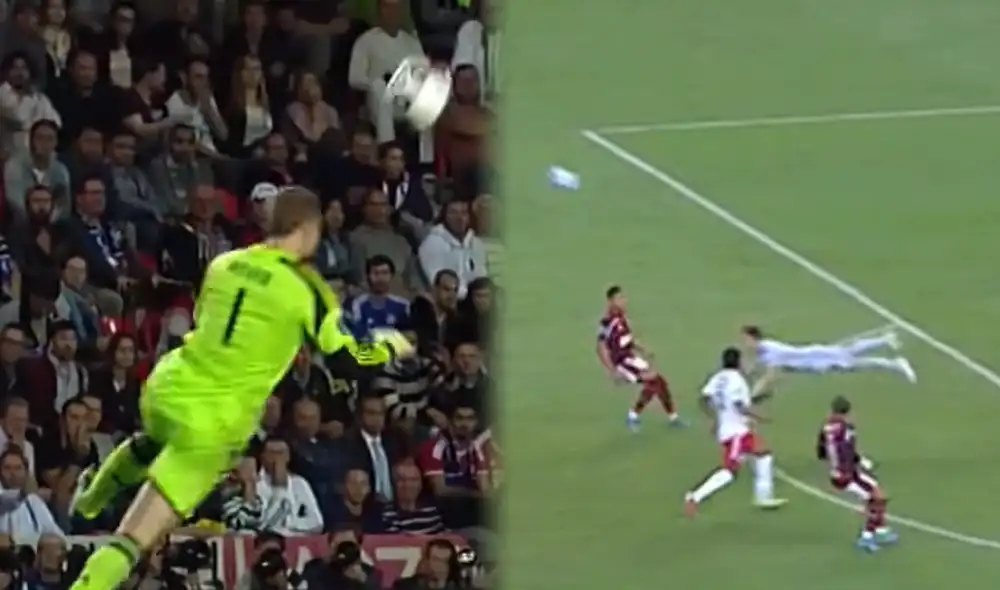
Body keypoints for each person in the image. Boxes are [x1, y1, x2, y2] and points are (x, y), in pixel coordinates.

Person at [66, 186, 416, 590]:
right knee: (132, 538)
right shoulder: (307, 289)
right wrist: (390, 344)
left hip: (170, 384)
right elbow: (348, 360)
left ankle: (90, 499)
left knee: (152, 440)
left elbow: (204, 317)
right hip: (214, 421)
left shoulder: (224, 263)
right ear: (307, 228)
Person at [683, 347, 787, 516]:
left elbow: (704, 399)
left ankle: (763, 497)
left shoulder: (718, 378)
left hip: (730, 429)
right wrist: (760, 417)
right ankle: (694, 497)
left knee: (763, 455)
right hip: (736, 432)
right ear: (738, 361)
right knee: (729, 471)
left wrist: (714, 418)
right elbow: (739, 406)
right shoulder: (737, 380)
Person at [740, 325, 917, 397]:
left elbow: (769, 377)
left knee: (855, 361)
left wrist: (751, 396)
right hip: (816, 357)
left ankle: (895, 362)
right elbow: (757, 365)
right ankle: (886, 340)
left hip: (819, 360)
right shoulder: (764, 350)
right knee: (851, 352)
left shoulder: (770, 351)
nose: (745, 343)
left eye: (746, 339)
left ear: (754, 338)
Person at [596, 285, 682, 430]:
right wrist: (612, 371)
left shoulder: (621, 317)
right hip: (622, 362)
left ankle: (672, 418)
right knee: (654, 380)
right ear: (610, 301)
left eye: (623, 298)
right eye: (619, 298)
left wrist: (644, 350)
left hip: (631, 358)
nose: (623, 301)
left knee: (660, 382)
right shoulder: (607, 322)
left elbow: (628, 340)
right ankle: (633, 416)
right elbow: (600, 348)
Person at [817, 395, 897, 552]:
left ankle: (880, 530)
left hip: (839, 473)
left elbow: (821, 453)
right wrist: (859, 461)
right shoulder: (847, 428)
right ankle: (867, 537)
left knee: (875, 489)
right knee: (877, 498)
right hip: (847, 474)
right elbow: (848, 450)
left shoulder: (825, 428)